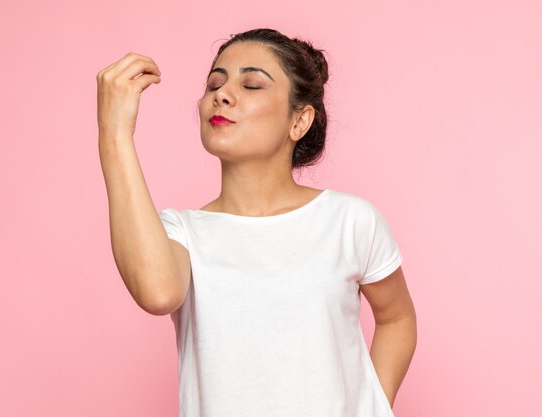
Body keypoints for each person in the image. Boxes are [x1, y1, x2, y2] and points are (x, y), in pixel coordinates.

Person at [97, 28, 417, 417]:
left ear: (299, 121)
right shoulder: (180, 233)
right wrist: (114, 134)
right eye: (215, 82)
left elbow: (397, 318)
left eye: (251, 84)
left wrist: (372, 405)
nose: (222, 93)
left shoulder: (349, 221)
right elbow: (158, 293)